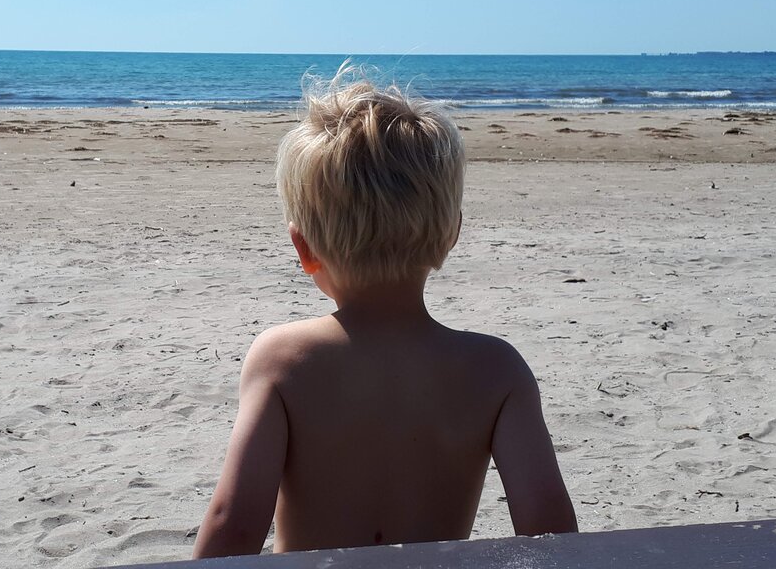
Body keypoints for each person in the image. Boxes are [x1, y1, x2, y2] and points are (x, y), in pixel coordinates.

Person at [193, 65, 577, 558]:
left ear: (303, 248)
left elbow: (233, 526)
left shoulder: (281, 360)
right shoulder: (497, 369)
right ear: (452, 234)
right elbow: (549, 530)